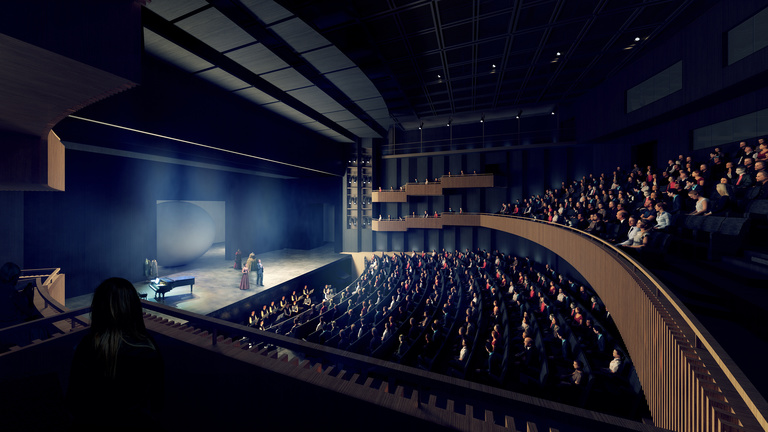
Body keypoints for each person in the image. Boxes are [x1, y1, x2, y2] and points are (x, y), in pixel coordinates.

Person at [67, 277, 164, 430]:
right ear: (133, 307)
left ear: (98, 308)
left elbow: (74, 402)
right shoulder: (148, 347)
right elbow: (158, 401)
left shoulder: (88, 345)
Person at [0, 262, 37, 329]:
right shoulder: (12, 292)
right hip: (12, 327)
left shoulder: (5, 289)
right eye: (18, 276)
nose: (18, 279)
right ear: (13, 277)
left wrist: (22, 294)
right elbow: (29, 312)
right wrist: (30, 298)